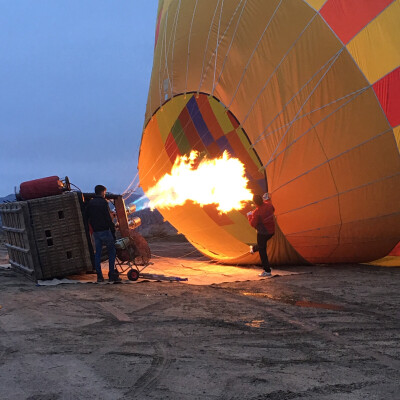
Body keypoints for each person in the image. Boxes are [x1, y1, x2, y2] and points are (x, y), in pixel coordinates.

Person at [86, 185, 121, 282]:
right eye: (104, 193)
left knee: (98, 253)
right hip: (105, 231)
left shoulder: (91, 203)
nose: (105, 195)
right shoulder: (103, 202)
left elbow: (88, 217)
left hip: (96, 232)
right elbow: (107, 218)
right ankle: (111, 274)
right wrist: (113, 231)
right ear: (102, 192)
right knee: (112, 251)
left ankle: (99, 276)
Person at [247, 193, 275, 277]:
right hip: (272, 231)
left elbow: (253, 224)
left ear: (255, 203)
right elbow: (273, 209)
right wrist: (267, 200)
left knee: (262, 250)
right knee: (261, 246)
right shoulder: (269, 205)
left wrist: (249, 216)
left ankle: (267, 271)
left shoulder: (256, 212)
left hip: (262, 233)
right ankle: (253, 248)